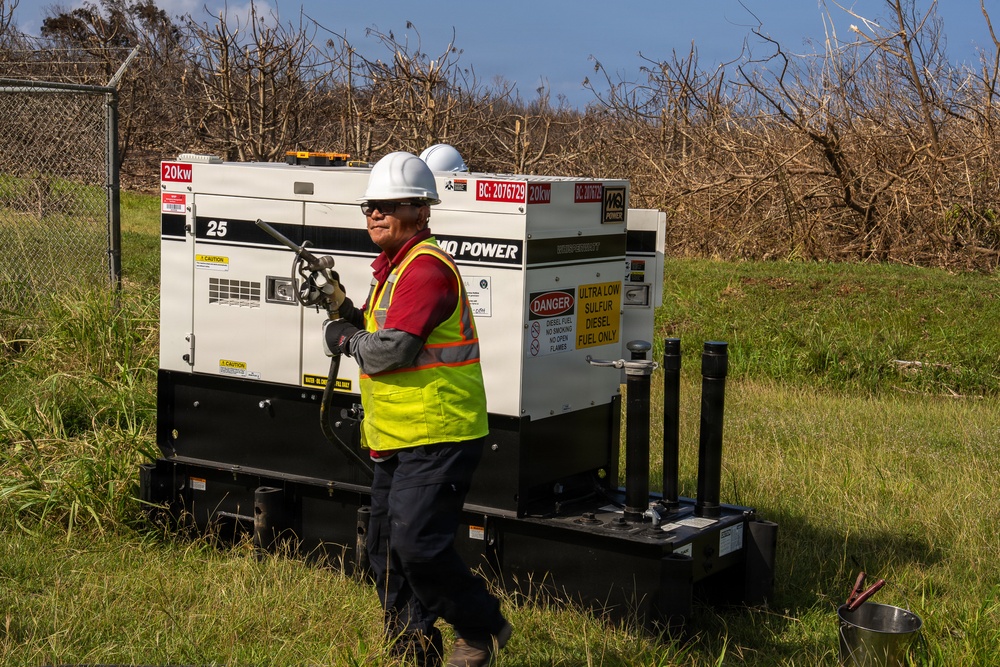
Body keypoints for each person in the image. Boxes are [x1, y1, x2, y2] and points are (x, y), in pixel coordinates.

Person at [322, 151, 511, 667]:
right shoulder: (395, 269)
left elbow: (392, 351)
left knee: (419, 546)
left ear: (421, 211)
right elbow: (378, 330)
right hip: (396, 438)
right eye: (369, 207)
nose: (375, 215)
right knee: (385, 553)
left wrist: (344, 339)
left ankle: (482, 628)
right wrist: (343, 309)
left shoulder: (426, 270)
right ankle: (412, 654)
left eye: (389, 206)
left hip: (440, 433)